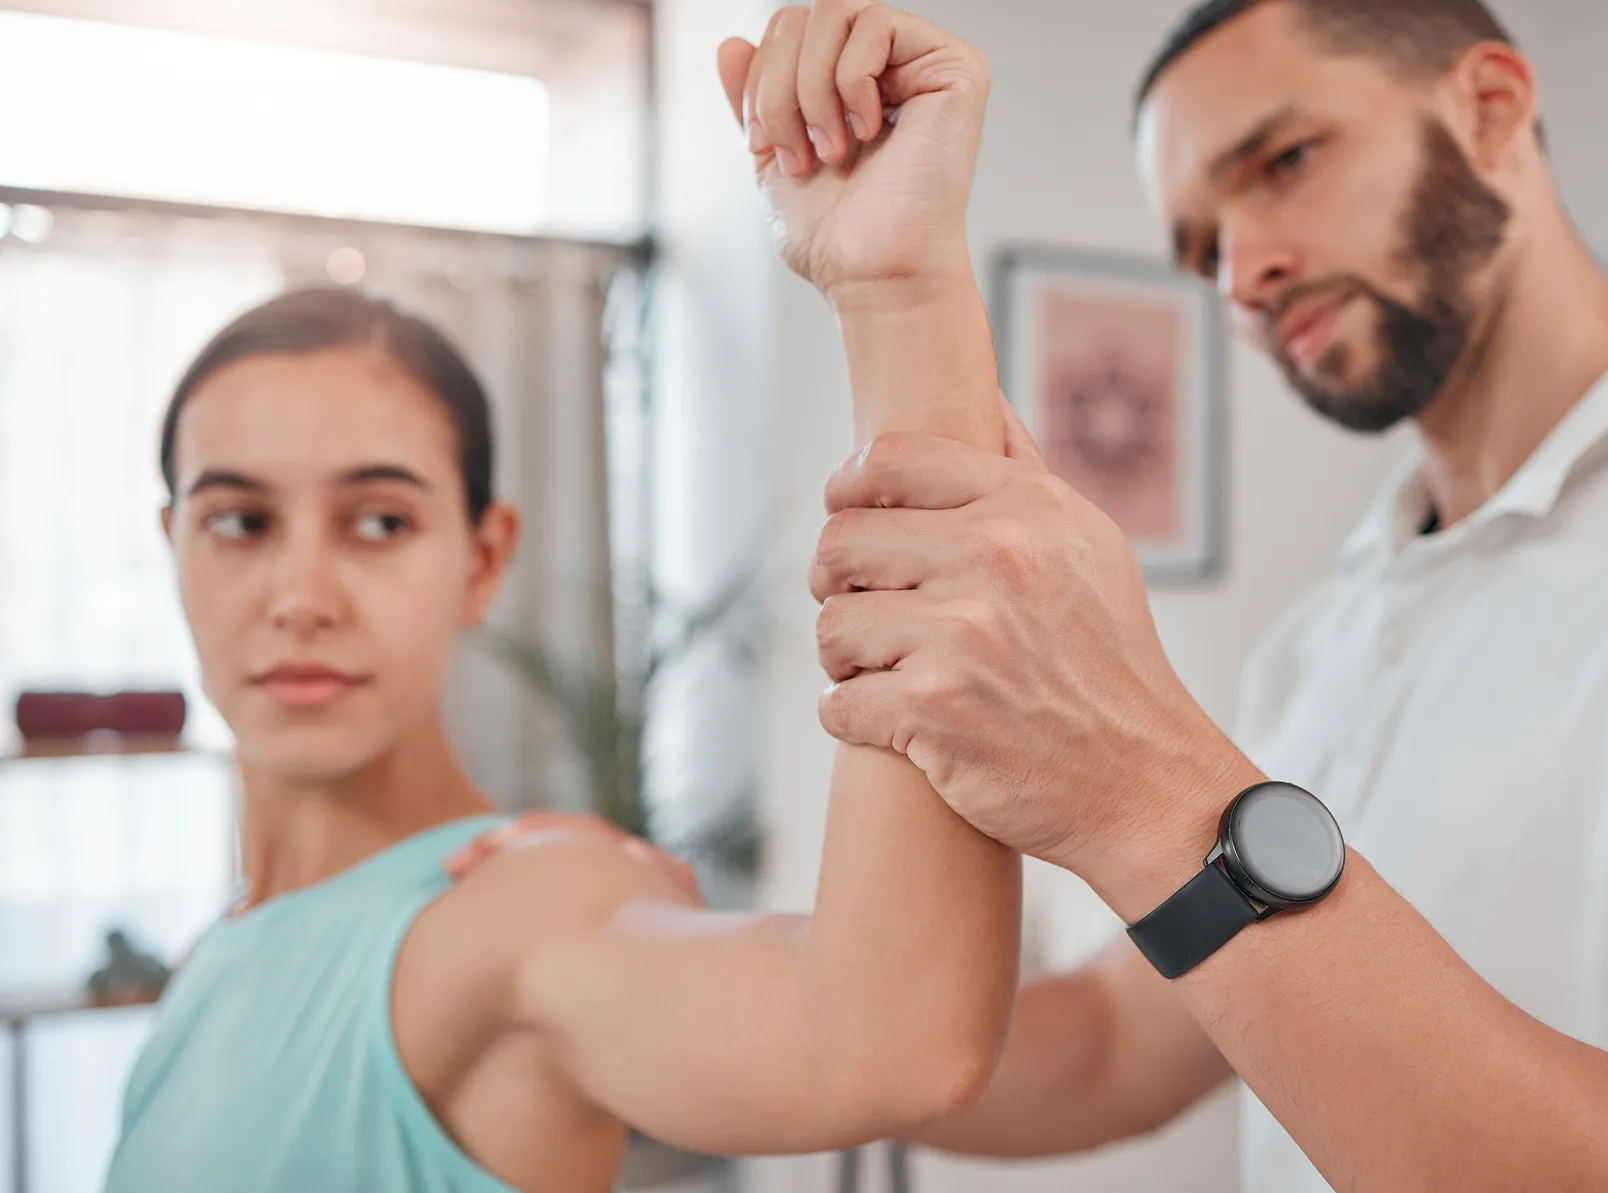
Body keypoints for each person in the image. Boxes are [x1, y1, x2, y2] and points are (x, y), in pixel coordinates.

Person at [740, 0, 1608, 1189]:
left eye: (1285, 162)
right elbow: (1111, 1049)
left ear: (1491, 108)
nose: (1245, 272)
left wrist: (1138, 778)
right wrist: (651, 978)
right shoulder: (1332, 631)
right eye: (1200, 250)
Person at [106, 112, 1021, 1193]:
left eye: (380, 521)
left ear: (485, 558)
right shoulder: (215, 953)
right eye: (240, 521)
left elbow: (882, 1036)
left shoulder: (523, 913)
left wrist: (898, 297)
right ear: (174, 546)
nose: (301, 597)